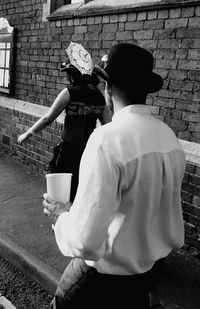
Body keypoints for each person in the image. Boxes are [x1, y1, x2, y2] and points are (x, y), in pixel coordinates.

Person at [43, 43, 186, 309]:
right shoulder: (170, 138)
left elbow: (85, 240)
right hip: (150, 271)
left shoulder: (106, 140)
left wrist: (61, 215)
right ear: (145, 91)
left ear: (108, 89)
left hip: (103, 275)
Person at [18, 59, 110, 201]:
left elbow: (48, 119)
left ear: (73, 74)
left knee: (60, 193)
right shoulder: (99, 96)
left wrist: (28, 133)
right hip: (87, 151)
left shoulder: (69, 92)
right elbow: (107, 125)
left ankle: (60, 220)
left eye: (69, 73)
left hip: (69, 150)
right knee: (80, 191)